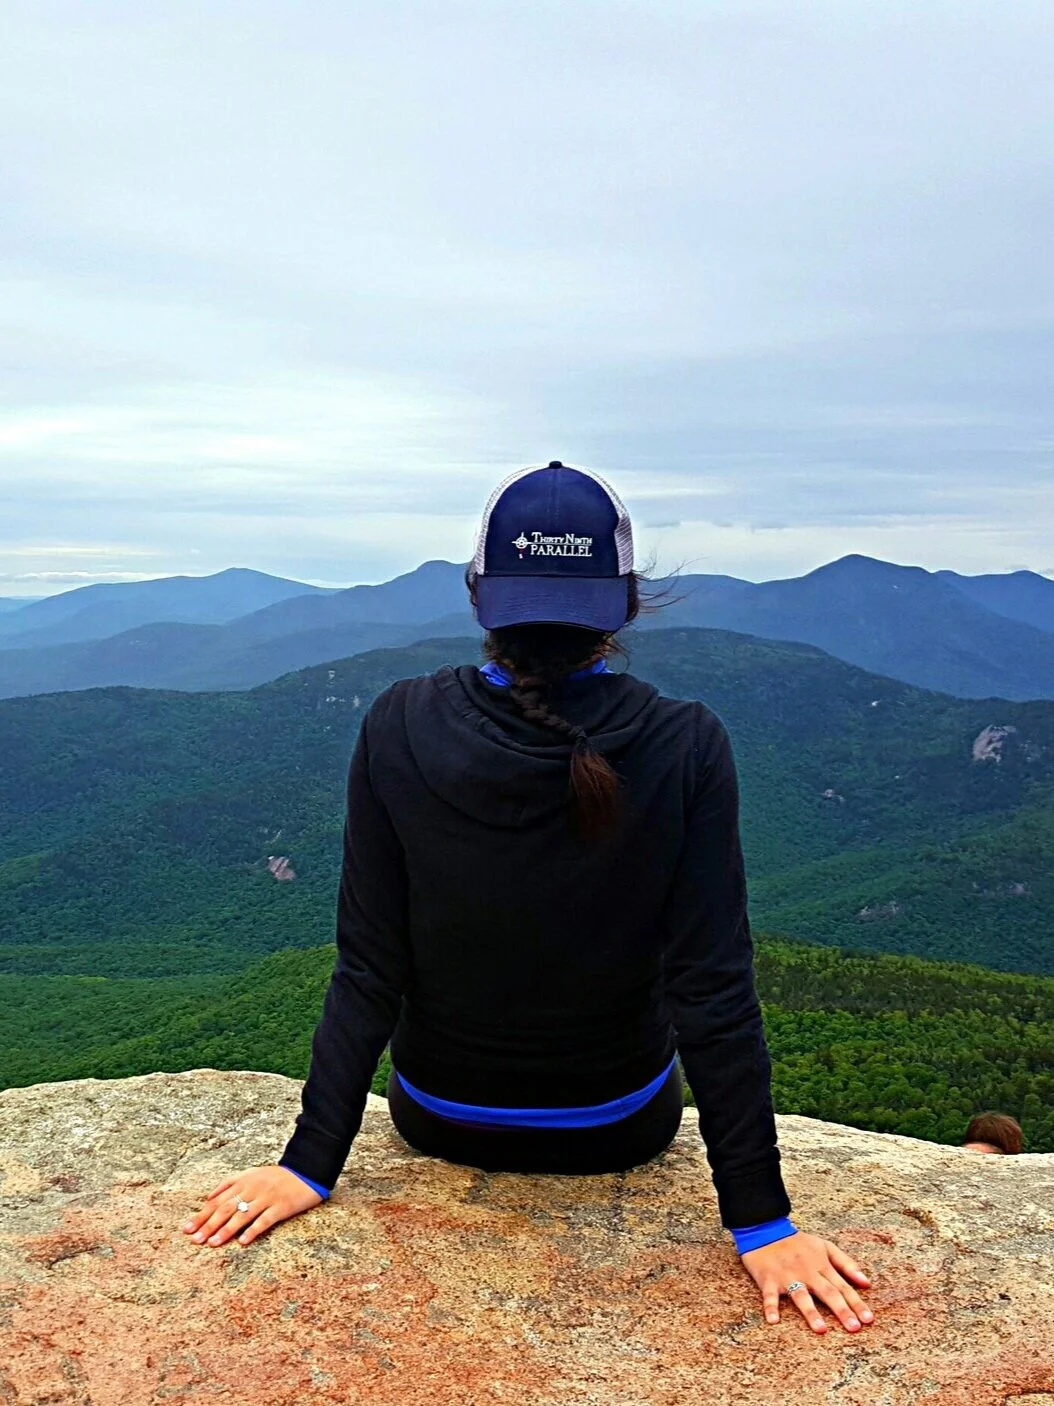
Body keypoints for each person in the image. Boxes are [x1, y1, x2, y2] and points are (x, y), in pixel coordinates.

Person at [181, 460, 874, 1336]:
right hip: (619, 1127)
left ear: (480, 597)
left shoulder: (397, 720)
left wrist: (311, 1165)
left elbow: (369, 963)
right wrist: (762, 1221)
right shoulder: (687, 743)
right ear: (623, 605)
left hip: (438, 1117)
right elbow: (714, 990)